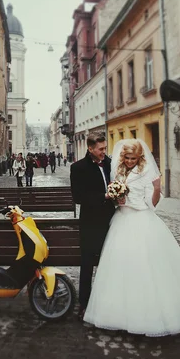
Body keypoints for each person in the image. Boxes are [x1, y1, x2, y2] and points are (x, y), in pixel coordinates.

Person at [84, 139, 180, 336]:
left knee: (146, 264)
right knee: (121, 266)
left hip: (142, 219)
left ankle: (151, 314)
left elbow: (152, 204)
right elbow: (114, 198)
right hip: (121, 220)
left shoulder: (147, 172)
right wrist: (118, 199)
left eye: (134, 158)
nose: (130, 161)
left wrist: (157, 189)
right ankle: (119, 314)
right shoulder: (119, 171)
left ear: (140, 157)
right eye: (127, 158)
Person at [70, 132, 114, 320]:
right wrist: (103, 197)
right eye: (101, 149)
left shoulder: (110, 163)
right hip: (90, 222)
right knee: (87, 263)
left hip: (112, 221)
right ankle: (85, 303)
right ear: (90, 149)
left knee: (111, 262)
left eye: (105, 148)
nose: (104, 152)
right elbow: (78, 197)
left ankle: (109, 301)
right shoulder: (78, 168)